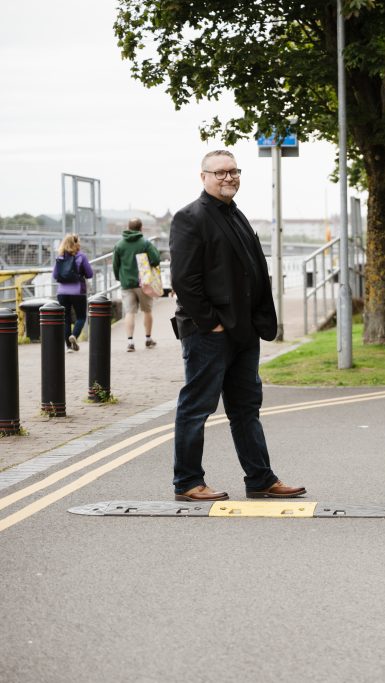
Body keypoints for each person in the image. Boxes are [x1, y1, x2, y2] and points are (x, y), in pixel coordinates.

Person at [168, 150, 305, 502]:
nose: (228, 178)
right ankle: (187, 481)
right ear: (204, 177)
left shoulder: (237, 215)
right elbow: (185, 280)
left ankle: (260, 478)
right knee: (197, 406)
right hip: (208, 333)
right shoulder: (189, 218)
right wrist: (210, 323)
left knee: (246, 408)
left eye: (234, 171)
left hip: (243, 331)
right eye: (220, 173)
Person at [112, 217, 160, 351]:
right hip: (143, 283)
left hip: (126, 283)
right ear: (141, 228)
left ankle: (130, 342)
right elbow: (156, 259)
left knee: (129, 312)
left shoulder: (119, 245)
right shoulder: (145, 243)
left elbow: (115, 266)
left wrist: (119, 277)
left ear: (128, 227)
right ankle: (148, 339)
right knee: (147, 310)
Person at [52, 234, 94, 352]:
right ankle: (74, 336)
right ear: (77, 243)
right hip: (78, 291)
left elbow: (55, 275)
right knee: (81, 317)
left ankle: (69, 347)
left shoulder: (60, 257)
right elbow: (90, 274)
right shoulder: (81, 256)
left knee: (66, 318)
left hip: (62, 292)